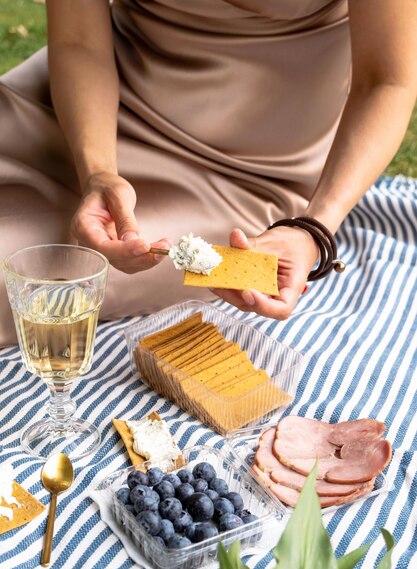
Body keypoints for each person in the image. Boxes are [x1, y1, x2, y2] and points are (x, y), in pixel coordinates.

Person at [0, 0, 416, 347]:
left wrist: (315, 226)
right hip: (84, 112)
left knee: (19, 274)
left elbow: (387, 80)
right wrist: (98, 172)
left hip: (242, 172)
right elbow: (77, 42)